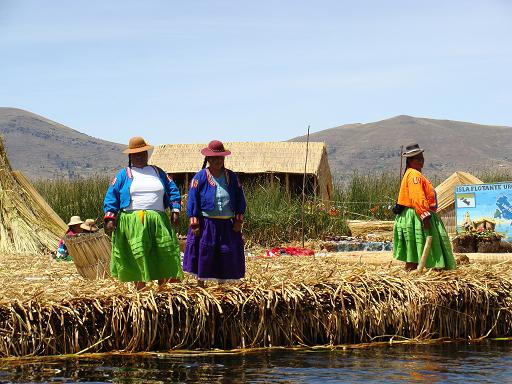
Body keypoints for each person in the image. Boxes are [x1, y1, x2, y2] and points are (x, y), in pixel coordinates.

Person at [103, 136, 183, 289]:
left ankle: (164, 289)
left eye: (143, 153)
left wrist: (175, 210)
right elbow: (111, 196)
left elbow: (173, 190)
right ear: (130, 156)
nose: (140, 157)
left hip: (158, 221)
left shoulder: (158, 172)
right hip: (133, 222)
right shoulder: (123, 175)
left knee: (164, 253)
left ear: (147, 154)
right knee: (137, 255)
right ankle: (141, 290)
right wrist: (110, 217)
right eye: (136, 154)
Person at [183, 140, 246, 285]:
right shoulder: (200, 177)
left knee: (225, 252)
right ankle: (201, 284)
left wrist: (238, 220)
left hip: (227, 224)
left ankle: (221, 285)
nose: (218, 161)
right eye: (214, 158)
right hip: (206, 223)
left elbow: (240, 198)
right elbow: (193, 199)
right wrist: (194, 222)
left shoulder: (232, 177)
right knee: (205, 252)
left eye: (220, 158)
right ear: (208, 159)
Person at [393, 143, 456, 270]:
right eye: (417, 159)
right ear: (410, 161)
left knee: (416, 248)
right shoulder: (414, 175)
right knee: (423, 245)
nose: (421, 161)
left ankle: (414, 271)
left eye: (422, 158)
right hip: (417, 215)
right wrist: (424, 216)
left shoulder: (412, 173)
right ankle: (432, 270)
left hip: (414, 214)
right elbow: (417, 196)